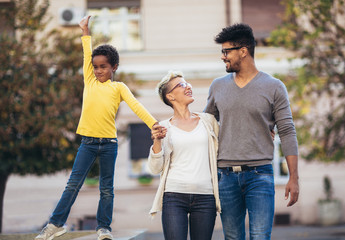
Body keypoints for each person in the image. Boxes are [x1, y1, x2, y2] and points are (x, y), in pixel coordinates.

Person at [35, 16, 158, 240]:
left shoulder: (119, 87)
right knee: (73, 184)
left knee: (106, 188)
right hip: (88, 144)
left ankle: (104, 228)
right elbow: (85, 53)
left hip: (109, 145)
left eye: (103, 67)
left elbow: (137, 106)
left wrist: (154, 124)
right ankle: (55, 224)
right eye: (96, 67)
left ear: (114, 67)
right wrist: (85, 31)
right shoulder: (89, 81)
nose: (99, 71)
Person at [205, 23, 299, 240]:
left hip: (260, 175)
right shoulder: (217, 86)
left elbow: (287, 131)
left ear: (243, 51)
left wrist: (293, 178)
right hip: (225, 176)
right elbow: (206, 125)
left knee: (259, 236)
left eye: (226, 51)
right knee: (232, 237)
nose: (223, 57)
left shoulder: (274, 86)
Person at [148, 70, 221, 240]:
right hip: (174, 196)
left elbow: (226, 146)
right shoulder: (164, 127)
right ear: (170, 96)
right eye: (181, 85)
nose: (188, 86)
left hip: (206, 197)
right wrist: (157, 141)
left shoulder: (208, 121)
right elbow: (154, 168)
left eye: (187, 83)